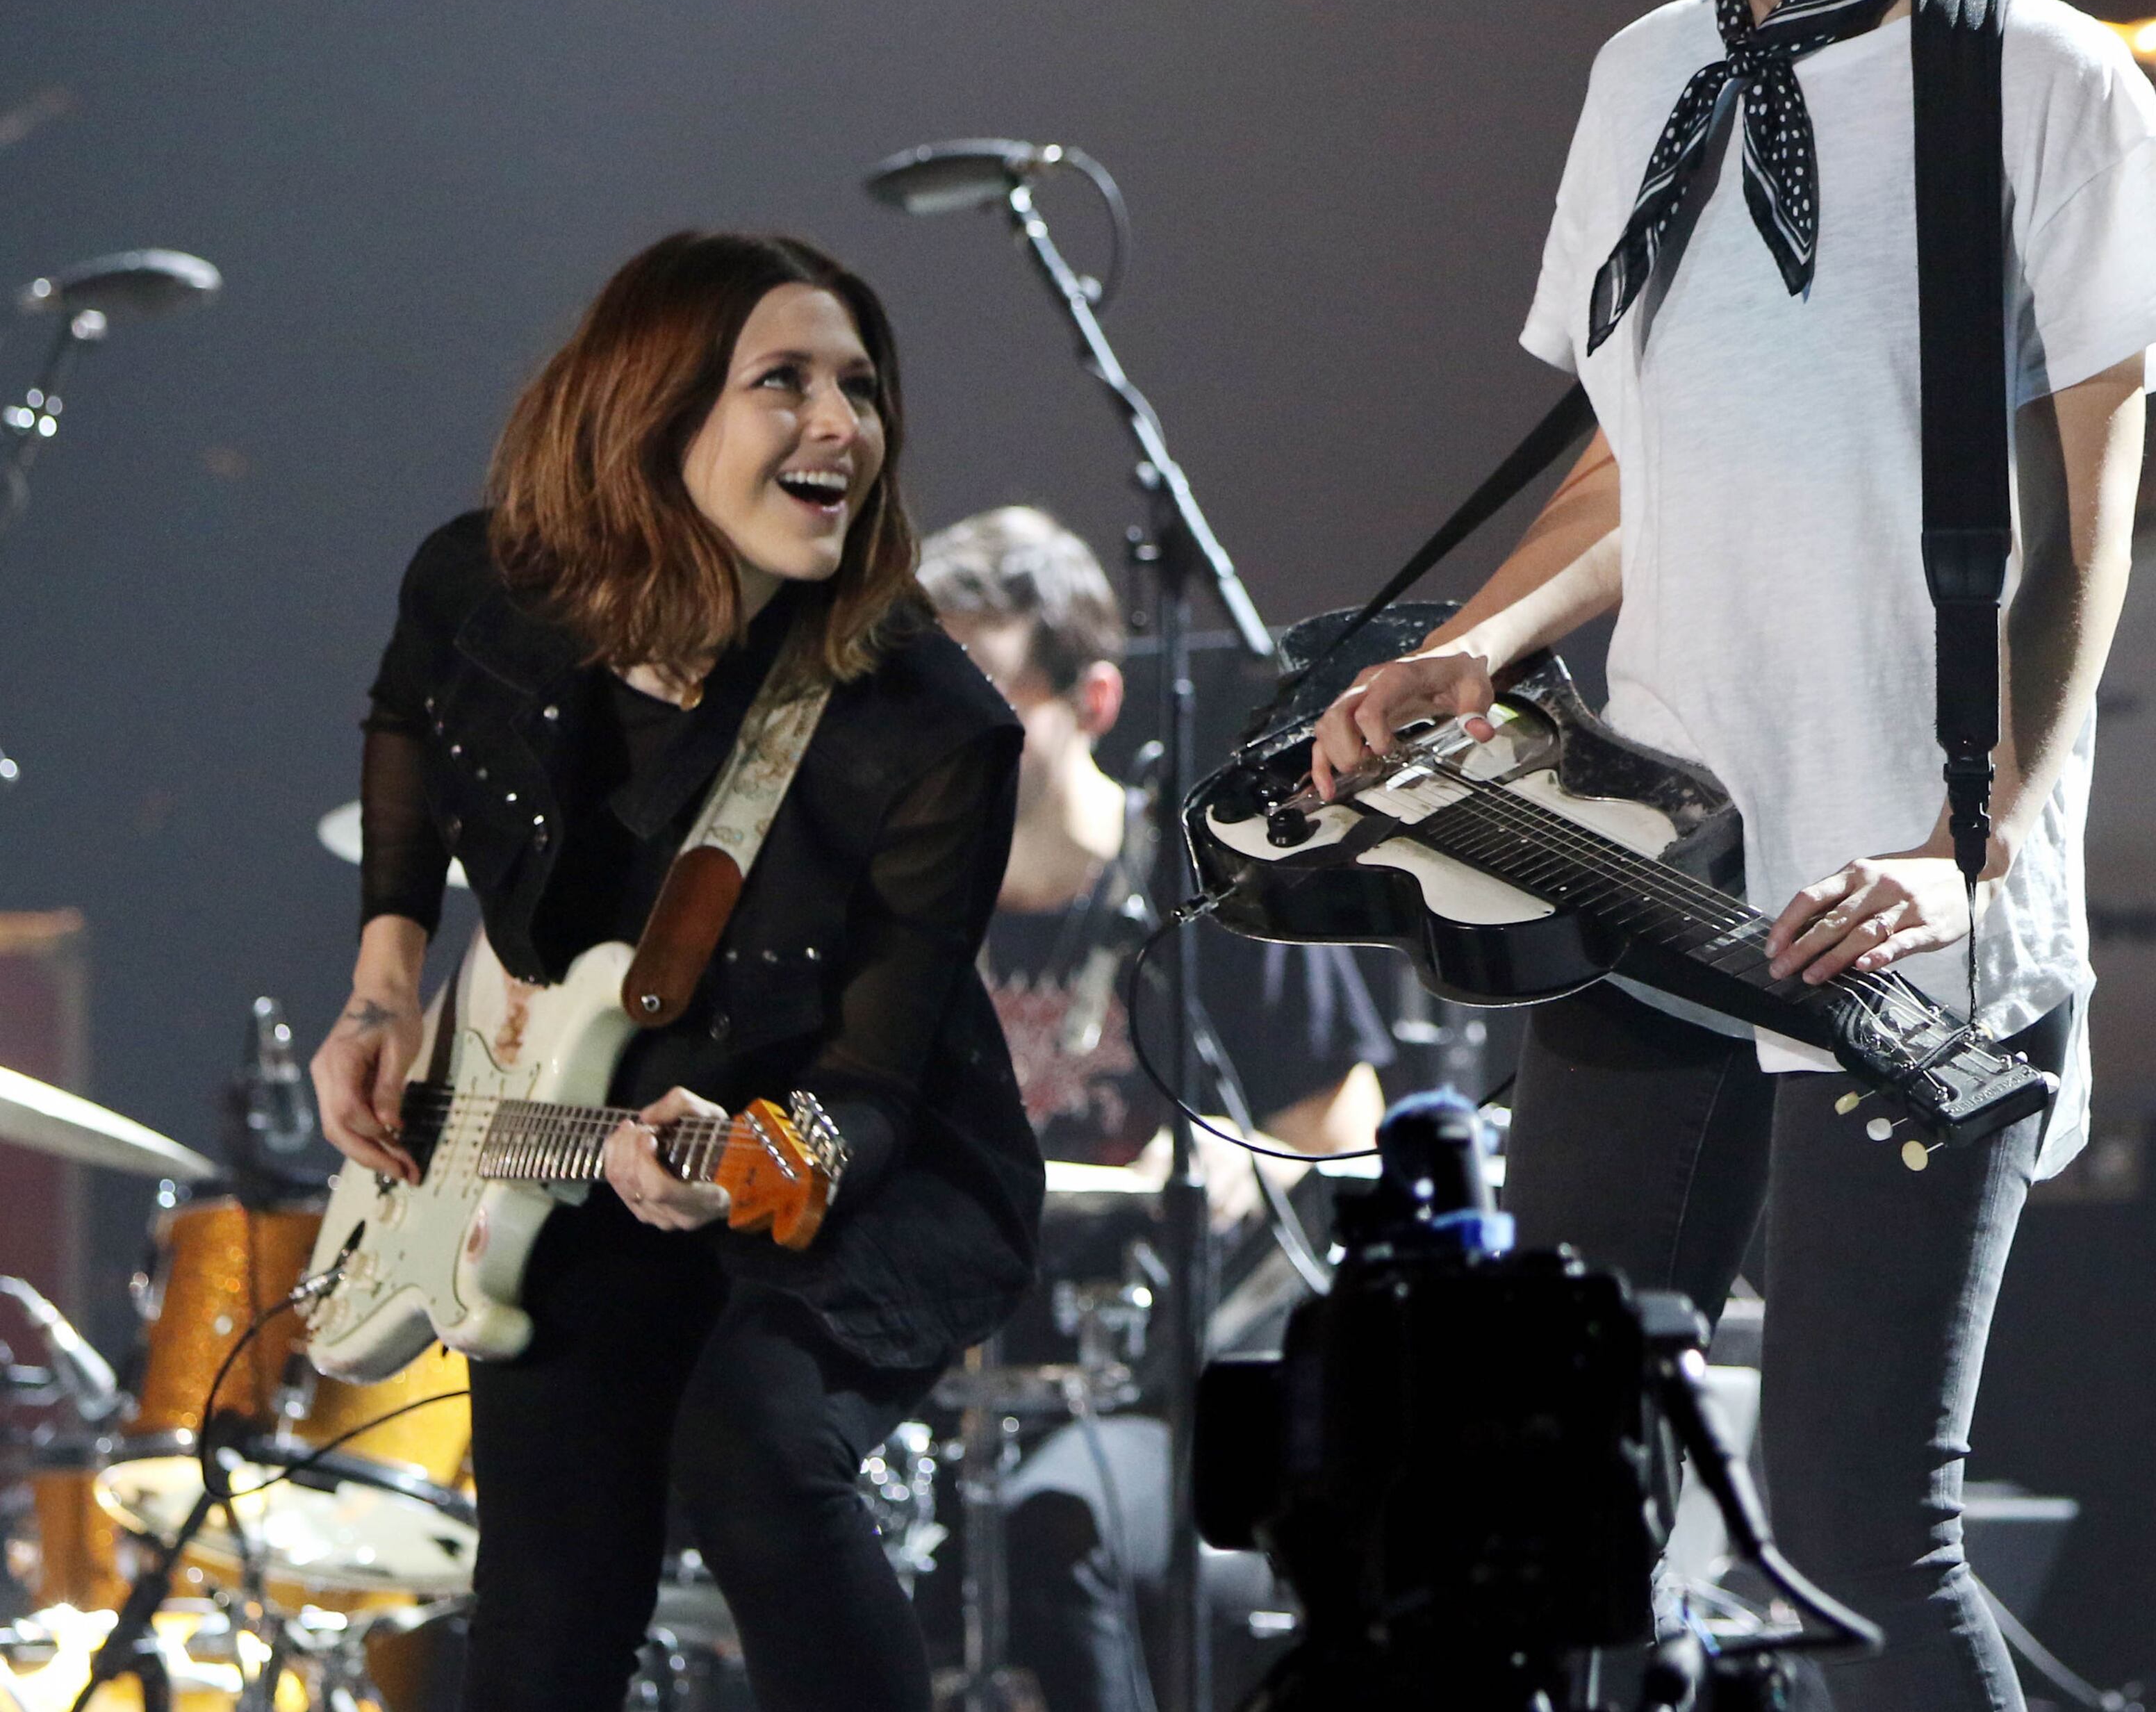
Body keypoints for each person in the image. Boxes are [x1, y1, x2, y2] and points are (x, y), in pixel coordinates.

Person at [1314, 0, 2156, 1712]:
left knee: (1849, 1525)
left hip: (1903, 911)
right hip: (1650, 885)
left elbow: (2098, 532)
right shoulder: (1643, 84)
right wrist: (1477, 645)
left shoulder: (2046, 84)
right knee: (1545, 1511)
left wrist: (1968, 847)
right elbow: (1634, 466)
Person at [308, 233, 1042, 1712]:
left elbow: (879, 1081)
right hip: (562, 1137)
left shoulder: (923, 726)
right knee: (543, 1609)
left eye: (860, 388)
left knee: (754, 1448)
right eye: (786, 383)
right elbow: (406, 714)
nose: (845, 424)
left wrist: (767, 1164)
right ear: (654, 414)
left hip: (856, 1162)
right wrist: (387, 983)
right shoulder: (485, 589)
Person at [921, 504, 1392, 1712]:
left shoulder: (1198, 889)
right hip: (953, 1388)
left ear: (1094, 703)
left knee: (1055, 1527)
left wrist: (1241, 1155)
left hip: (1166, 1394)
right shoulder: (909, 918)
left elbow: (1347, 1111)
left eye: (986, 692)